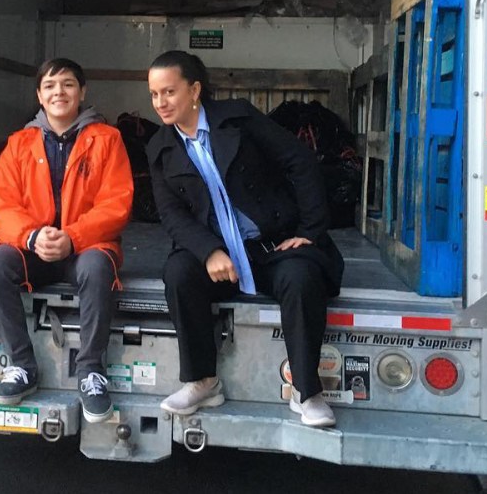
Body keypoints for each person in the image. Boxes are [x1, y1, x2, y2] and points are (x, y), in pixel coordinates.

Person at [146, 51, 344, 428]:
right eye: (154, 95)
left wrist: (309, 231)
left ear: (195, 90)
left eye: (169, 92)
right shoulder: (160, 148)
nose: (161, 103)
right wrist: (209, 251)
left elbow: (299, 161)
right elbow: (171, 215)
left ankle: (306, 391)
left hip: (272, 245)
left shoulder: (238, 118)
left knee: (301, 278)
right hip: (219, 255)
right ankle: (202, 381)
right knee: (178, 272)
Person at [0, 58, 133, 423]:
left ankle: (91, 371)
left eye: (67, 84)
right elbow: (0, 200)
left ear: (82, 92)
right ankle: (21, 367)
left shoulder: (107, 139)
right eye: (49, 86)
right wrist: (31, 236)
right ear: (39, 95)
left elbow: (117, 201)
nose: (58, 92)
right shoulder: (20, 143)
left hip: (87, 246)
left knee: (97, 267)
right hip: (35, 247)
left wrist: (74, 237)